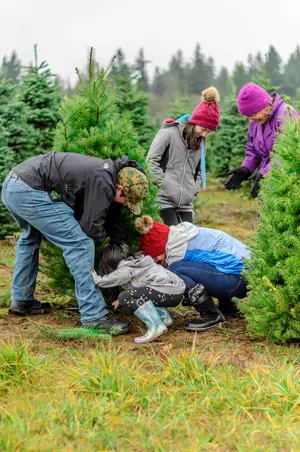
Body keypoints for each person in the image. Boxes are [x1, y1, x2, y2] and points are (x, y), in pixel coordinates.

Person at [1, 151, 148, 335]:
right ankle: (93, 316)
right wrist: (103, 248)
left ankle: (22, 299)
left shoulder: (105, 172)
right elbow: (91, 229)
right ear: (119, 188)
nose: (126, 204)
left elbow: (108, 212)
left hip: (14, 185)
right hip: (29, 191)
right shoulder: (103, 181)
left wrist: (120, 241)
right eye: (127, 200)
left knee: (30, 238)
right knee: (80, 245)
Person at [136, 215, 250, 332]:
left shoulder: (176, 251)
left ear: (159, 248)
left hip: (237, 281)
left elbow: (173, 282)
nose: (155, 261)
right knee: (207, 265)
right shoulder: (183, 235)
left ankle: (212, 315)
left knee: (175, 270)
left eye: (154, 256)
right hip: (246, 277)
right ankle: (227, 306)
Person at [146, 87, 220, 226]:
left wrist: (193, 189)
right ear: (195, 122)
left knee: (188, 240)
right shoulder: (169, 133)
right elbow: (151, 161)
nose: (204, 135)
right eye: (203, 129)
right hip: (163, 200)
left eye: (208, 132)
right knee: (173, 239)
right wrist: (164, 185)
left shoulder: (200, 143)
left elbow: (198, 171)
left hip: (186, 203)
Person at [92, 244, 185, 343]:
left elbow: (111, 279)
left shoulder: (126, 268)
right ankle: (164, 317)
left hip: (165, 291)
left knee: (124, 296)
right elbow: (140, 289)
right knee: (142, 293)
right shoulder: (137, 262)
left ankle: (156, 326)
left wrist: (97, 279)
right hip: (176, 291)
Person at [224, 83, 299, 198]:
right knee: (266, 215)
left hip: (288, 180)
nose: (251, 120)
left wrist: (266, 172)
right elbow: (253, 149)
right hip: (268, 181)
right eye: (248, 117)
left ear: (263, 106)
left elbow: (289, 152)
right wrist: (246, 168)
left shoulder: (286, 114)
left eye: (253, 115)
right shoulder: (255, 122)